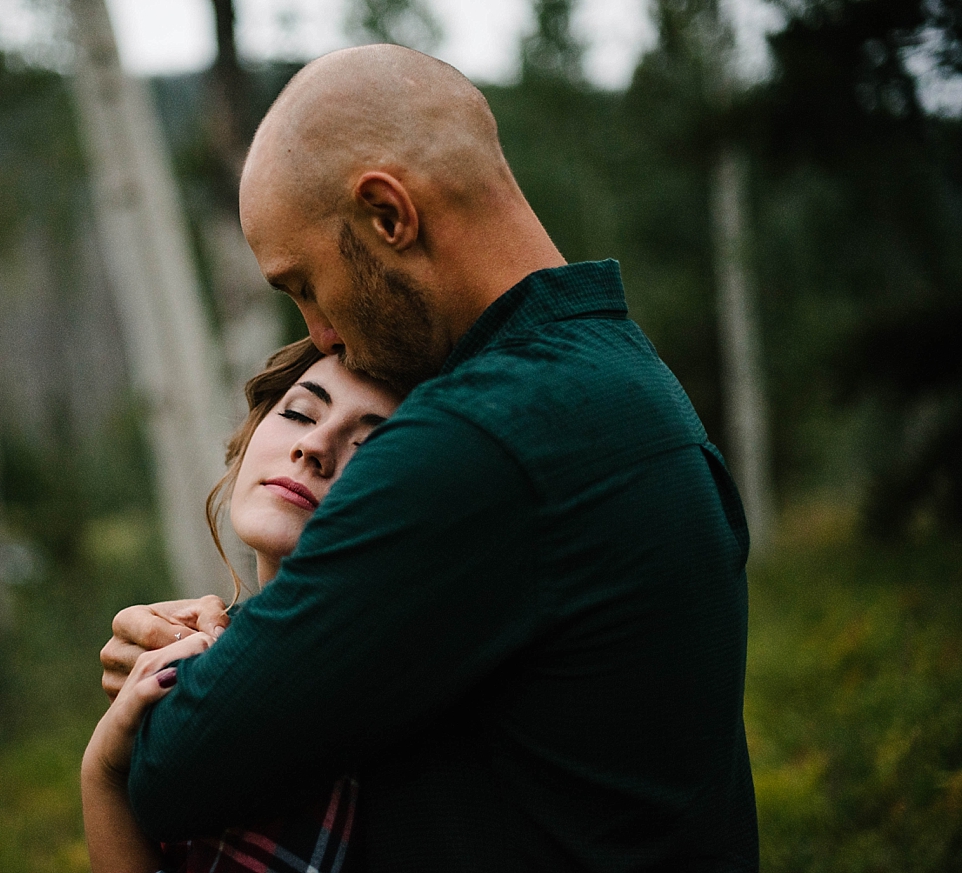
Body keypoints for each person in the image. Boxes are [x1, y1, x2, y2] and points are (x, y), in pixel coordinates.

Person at [99, 44, 759, 872]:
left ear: (388, 216)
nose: (319, 335)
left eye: (304, 283)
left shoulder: (482, 439)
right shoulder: (628, 379)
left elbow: (176, 772)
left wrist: (181, 677)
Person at [82, 338, 401, 873]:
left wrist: (106, 773)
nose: (315, 446)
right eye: (300, 412)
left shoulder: (358, 696)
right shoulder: (223, 654)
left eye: (369, 446)